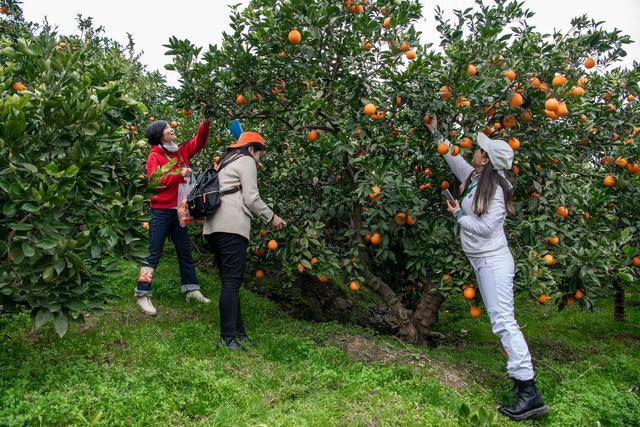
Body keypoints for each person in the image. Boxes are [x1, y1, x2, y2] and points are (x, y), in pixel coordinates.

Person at [426, 117, 548, 421]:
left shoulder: (496, 190)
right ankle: (523, 385)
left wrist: (457, 215)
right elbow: (452, 157)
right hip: (482, 261)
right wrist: (436, 131)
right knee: (501, 321)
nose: (476, 151)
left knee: (504, 322)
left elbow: (483, 228)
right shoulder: (476, 179)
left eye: (481, 150)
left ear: (488, 161)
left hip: (493, 262)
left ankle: (529, 393)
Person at [203, 131, 286, 352]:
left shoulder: (225, 162)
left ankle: (238, 333)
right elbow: (251, 197)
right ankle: (227, 338)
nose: (259, 161)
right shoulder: (246, 160)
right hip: (231, 227)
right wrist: (272, 217)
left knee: (229, 282)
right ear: (252, 149)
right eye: (260, 156)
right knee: (231, 283)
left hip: (213, 228)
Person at [135, 117, 212, 315]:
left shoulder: (180, 151)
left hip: (180, 210)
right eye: (167, 128)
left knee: (184, 251)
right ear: (159, 135)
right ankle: (142, 293)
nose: (171, 129)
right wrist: (180, 173)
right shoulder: (155, 156)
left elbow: (199, 142)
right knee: (153, 253)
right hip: (161, 211)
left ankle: (191, 289)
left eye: (170, 127)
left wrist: (205, 122)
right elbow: (156, 181)